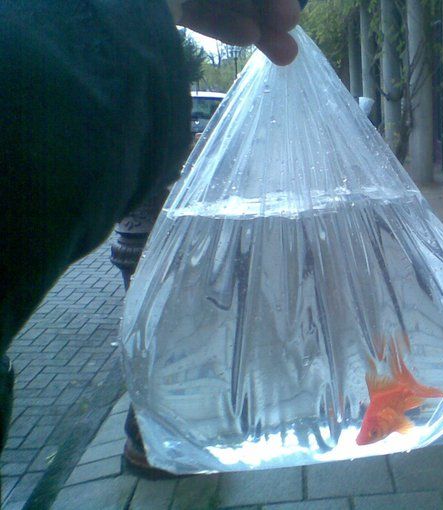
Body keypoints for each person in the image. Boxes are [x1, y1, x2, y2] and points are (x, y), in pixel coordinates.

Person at [0, 0, 303, 453]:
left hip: (135, 243)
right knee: (169, 339)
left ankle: (154, 432)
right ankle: (151, 434)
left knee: (167, 337)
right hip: (140, 245)